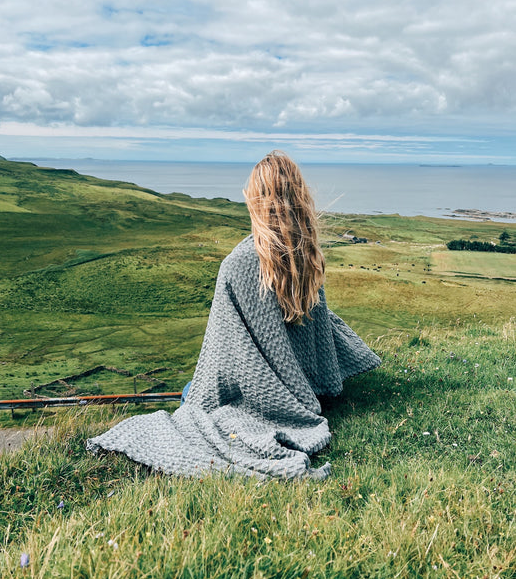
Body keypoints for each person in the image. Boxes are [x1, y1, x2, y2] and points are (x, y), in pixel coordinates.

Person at [87, 152, 380, 480]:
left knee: (191, 398)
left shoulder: (237, 265)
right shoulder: (309, 256)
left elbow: (223, 354)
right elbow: (318, 336)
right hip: (305, 387)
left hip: (264, 394)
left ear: (256, 200)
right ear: (299, 197)